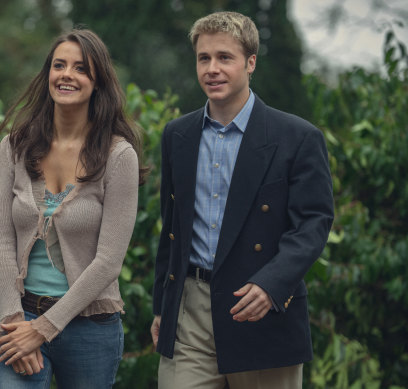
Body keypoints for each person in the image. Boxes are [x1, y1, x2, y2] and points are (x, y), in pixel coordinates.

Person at [150, 11, 334, 389]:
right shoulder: (177, 135)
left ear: (250, 63)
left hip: (260, 309)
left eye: (224, 57)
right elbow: (172, 228)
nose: (212, 69)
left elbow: (313, 223)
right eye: (204, 58)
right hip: (190, 311)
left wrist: (271, 284)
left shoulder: (297, 137)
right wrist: (161, 309)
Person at [0, 28, 144, 389]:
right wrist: (15, 323)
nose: (66, 75)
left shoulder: (119, 156)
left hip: (90, 328)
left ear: (97, 81)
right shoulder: (15, 147)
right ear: (47, 75)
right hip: (19, 317)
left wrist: (42, 331)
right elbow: (0, 240)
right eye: (59, 65)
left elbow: (108, 261)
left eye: (80, 68)